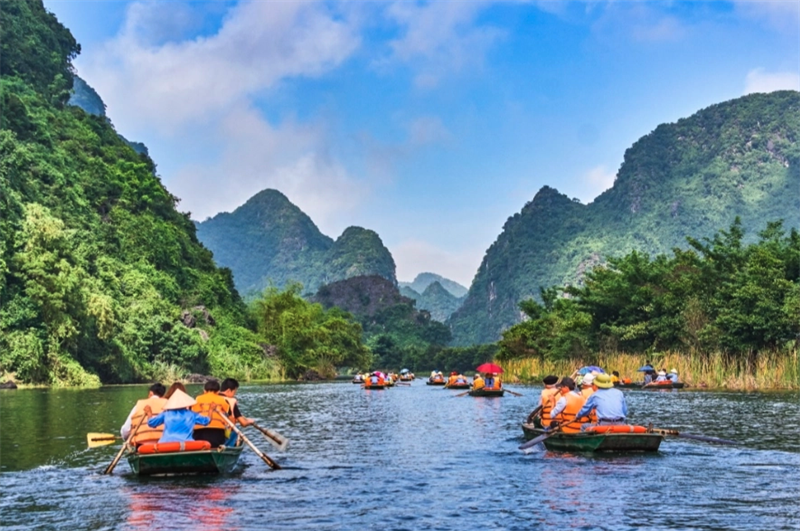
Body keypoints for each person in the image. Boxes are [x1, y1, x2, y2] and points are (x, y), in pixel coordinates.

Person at [145, 389, 215, 443]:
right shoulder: (191, 414)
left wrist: (149, 413)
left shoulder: (166, 414)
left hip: (166, 443)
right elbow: (207, 421)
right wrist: (211, 410)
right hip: (187, 443)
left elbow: (151, 423)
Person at [192, 379, 232, 448]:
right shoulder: (222, 400)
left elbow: (192, 413)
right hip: (217, 431)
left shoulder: (197, 399)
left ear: (204, 391)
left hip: (199, 431)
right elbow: (229, 415)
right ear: (218, 391)